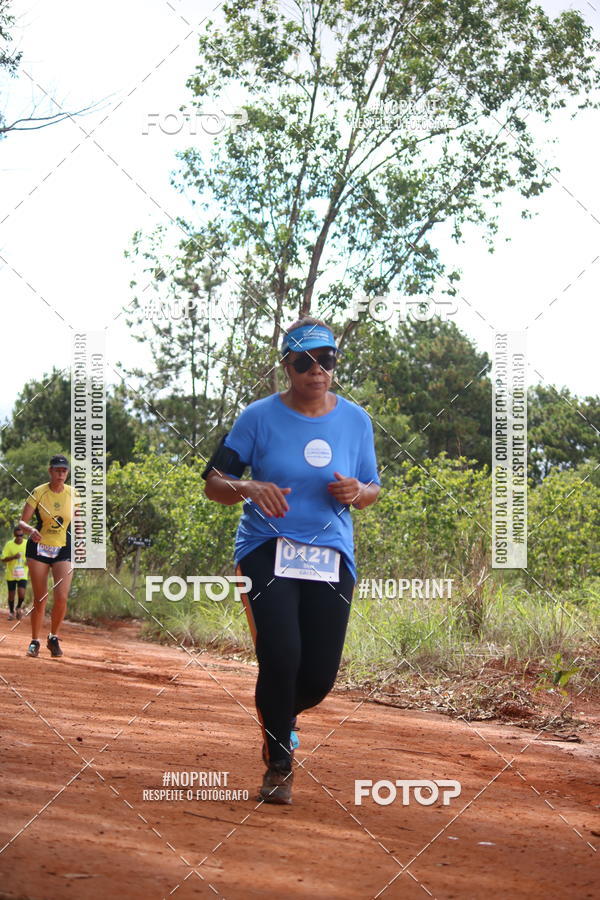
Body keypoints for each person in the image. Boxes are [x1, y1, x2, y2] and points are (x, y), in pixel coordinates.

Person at [203, 316, 381, 805]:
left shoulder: (356, 421)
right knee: (281, 655)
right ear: (287, 366)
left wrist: (358, 492)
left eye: (326, 360)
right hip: (266, 549)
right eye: (304, 362)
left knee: (318, 676)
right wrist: (248, 486)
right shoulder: (256, 417)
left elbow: (372, 488)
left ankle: (279, 717)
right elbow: (214, 482)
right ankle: (279, 763)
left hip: (331, 555)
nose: (316, 371)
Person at [18, 454, 75, 658]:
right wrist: (30, 530)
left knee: (61, 596)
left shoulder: (73, 494)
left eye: (64, 471)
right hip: (38, 548)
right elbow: (21, 522)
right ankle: (34, 641)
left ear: (67, 473)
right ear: (50, 471)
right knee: (41, 598)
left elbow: (79, 522)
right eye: (57, 470)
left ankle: (53, 637)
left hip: (63, 548)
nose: (61, 474)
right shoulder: (39, 492)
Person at [1, 525, 29, 620]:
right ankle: (11, 612)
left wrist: (29, 561)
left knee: (21, 593)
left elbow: (33, 556)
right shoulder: (9, 544)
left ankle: (18, 607)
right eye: (17, 535)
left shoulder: (27, 544)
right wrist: (13, 557)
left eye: (21, 535)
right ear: (14, 535)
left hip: (23, 573)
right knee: (11, 595)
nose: (19, 537)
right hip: (11, 574)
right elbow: (3, 559)